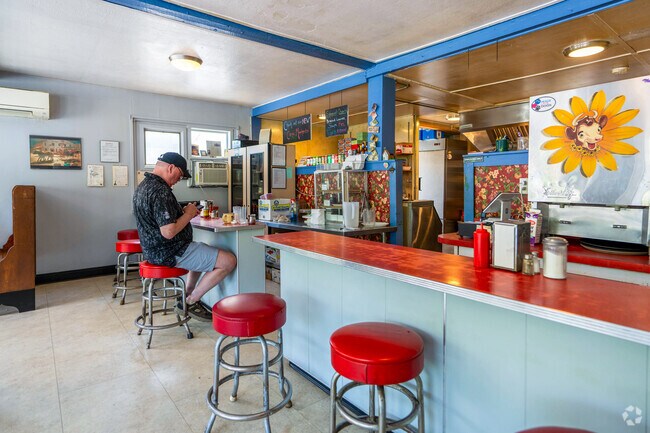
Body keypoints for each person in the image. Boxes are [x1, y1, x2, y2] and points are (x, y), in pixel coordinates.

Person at [133, 152, 236, 321]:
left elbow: (158, 220)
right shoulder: (160, 191)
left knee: (200, 247)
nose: (179, 180)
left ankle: (187, 293)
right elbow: (168, 232)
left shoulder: (144, 186)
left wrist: (180, 213)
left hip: (154, 251)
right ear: (171, 167)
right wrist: (188, 214)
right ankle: (191, 301)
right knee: (228, 261)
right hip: (169, 251)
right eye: (180, 175)